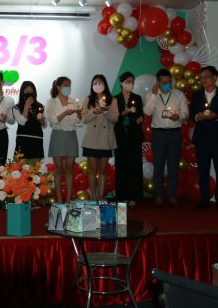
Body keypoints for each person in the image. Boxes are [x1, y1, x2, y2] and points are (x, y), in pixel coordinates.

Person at [189, 66, 218, 211]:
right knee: (203, 170)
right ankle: (204, 200)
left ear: (215, 77)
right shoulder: (197, 95)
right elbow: (192, 114)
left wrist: (217, 116)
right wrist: (198, 116)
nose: (203, 80)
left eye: (206, 76)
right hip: (201, 138)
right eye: (201, 77)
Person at [144, 68, 189, 207]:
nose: (167, 84)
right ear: (158, 82)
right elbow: (147, 111)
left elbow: (186, 113)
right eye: (164, 82)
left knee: (173, 166)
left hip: (175, 133)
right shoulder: (152, 95)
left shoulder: (179, 94)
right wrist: (154, 95)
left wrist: (178, 116)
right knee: (158, 165)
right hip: (158, 134)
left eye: (169, 82)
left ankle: (172, 196)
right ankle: (158, 196)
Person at [81, 75, 118, 200]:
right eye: (95, 83)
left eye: (100, 82)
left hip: (105, 139)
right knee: (92, 171)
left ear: (105, 84)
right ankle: (93, 198)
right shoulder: (87, 99)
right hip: (91, 139)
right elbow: (84, 119)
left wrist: (106, 111)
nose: (98, 85)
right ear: (92, 85)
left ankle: (100, 197)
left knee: (102, 171)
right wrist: (94, 112)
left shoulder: (112, 100)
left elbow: (115, 119)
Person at [46, 76, 82, 203]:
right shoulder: (52, 102)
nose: (68, 88)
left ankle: (68, 198)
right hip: (58, 135)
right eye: (65, 85)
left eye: (69, 85)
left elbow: (79, 122)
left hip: (71, 135)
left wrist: (79, 114)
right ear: (58, 87)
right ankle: (59, 198)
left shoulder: (74, 101)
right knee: (58, 168)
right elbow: (52, 121)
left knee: (69, 168)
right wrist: (65, 113)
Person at [114, 72, 144, 209]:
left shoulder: (137, 98)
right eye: (128, 81)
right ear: (122, 83)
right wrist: (124, 114)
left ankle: (133, 196)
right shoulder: (115, 99)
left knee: (134, 166)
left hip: (134, 136)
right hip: (120, 136)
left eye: (132, 81)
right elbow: (114, 118)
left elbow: (140, 115)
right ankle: (122, 196)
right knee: (121, 166)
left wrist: (138, 119)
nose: (130, 84)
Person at [11, 81, 46, 161]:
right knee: (21, 168)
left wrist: (42, 121)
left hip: (37, 141)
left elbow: (45, 125)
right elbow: (22, 122)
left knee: (36, 168)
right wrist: (27, 105)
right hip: (23, 142)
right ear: (22, 93)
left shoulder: (41, 106)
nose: (29, 94)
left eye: (31, 92)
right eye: (27, 91)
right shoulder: (16, 107)